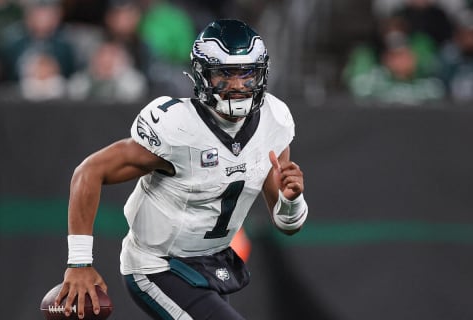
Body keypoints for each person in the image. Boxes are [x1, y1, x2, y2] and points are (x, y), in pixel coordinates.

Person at [55, 19, 308, 319]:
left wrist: (292, 201)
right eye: (224, 75)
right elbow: (89, 171)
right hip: (158, 266)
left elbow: (287, 224)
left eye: (247, 74)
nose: (238, 85)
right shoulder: (177, 126)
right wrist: (79, 263)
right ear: (203, 75)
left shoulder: (273, 121)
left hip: (210, 263)